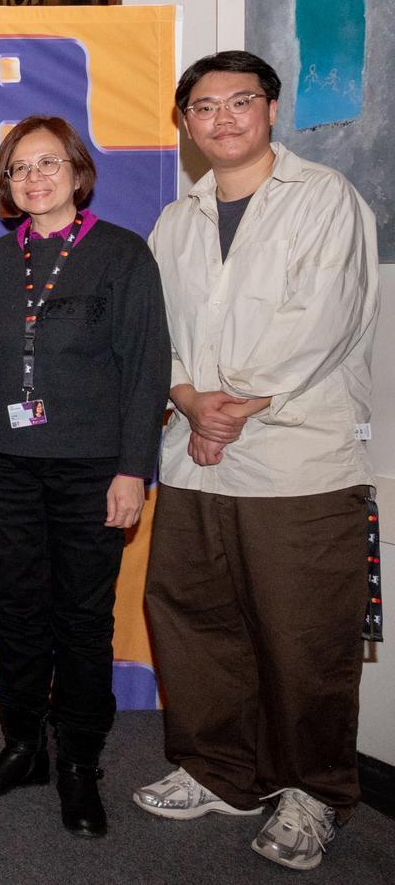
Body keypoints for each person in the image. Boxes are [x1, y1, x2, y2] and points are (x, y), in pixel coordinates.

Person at [133, 51, 379, 873]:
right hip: (195, 460)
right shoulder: (177, 221)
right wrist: (188, 399)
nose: (223, 119)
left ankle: (314, 791)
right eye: (204, 107)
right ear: (186, 124)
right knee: (195, 621)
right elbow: (155, 331)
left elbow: (322, 322)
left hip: (295, 463)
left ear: (271, 110)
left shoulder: (324, 200)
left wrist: (226, 407)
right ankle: (218, 771)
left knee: (304, 634)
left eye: (241, 102)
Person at [0, 115, 169, 837]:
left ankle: (79, 761)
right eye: (19, 168)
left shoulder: (122, 254)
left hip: (92, 470)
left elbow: (146, 368)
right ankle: (23, 748)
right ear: (6, 185)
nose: (34, 177)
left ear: (78, 172)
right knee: (17, 611)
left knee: (81, 618)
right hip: (5, 466)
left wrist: (133, 469)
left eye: (49, 163)